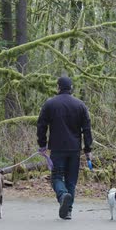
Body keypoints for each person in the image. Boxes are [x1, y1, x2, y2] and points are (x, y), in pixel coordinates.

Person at [37, 76, 93, 220]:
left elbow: (41, 125)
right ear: (71, 88)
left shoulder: (50, 104)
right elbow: (87, 129)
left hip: (57, 149)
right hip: (74, 150)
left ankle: (62, 196)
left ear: (58, 87)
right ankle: (68, 211)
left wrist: (42, 144)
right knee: (71, 180)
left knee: (56, 177)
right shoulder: (80, 105)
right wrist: (88, 150)